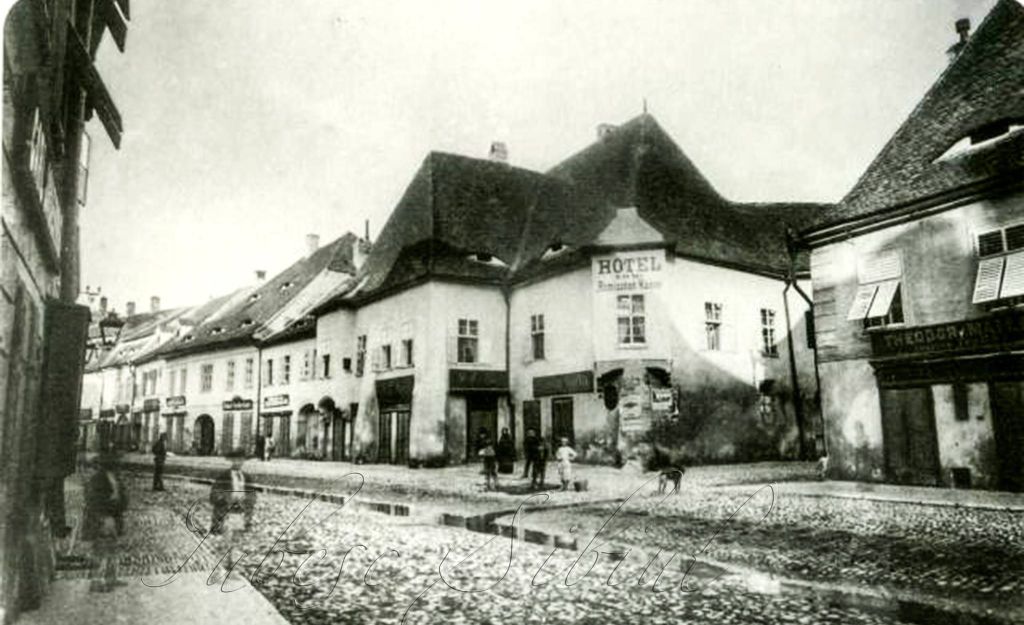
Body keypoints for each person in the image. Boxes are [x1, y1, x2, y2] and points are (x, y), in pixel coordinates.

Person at [82, 450, 128, 592]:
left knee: (113, 548)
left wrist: (120, 505)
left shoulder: (115, 477)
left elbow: (123, 496)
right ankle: (95, 581)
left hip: (113, 516)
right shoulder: (98, 478)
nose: (119, 464)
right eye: (116, 462)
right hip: (102, 517)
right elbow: (93, 500)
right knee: (100, 550)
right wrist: (102, 516)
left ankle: (111, 578)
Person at [209, 451, 256, 534]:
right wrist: (225, 499)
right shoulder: (224, 476)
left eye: (240, 460)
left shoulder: (246, 477)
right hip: (227, 510)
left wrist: (246, 501)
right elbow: (214, 494)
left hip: (241, 510)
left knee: (239, 538)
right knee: (226, 536)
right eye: (235, 460)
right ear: (231, 461)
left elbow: (252, 495)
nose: (238, 463)